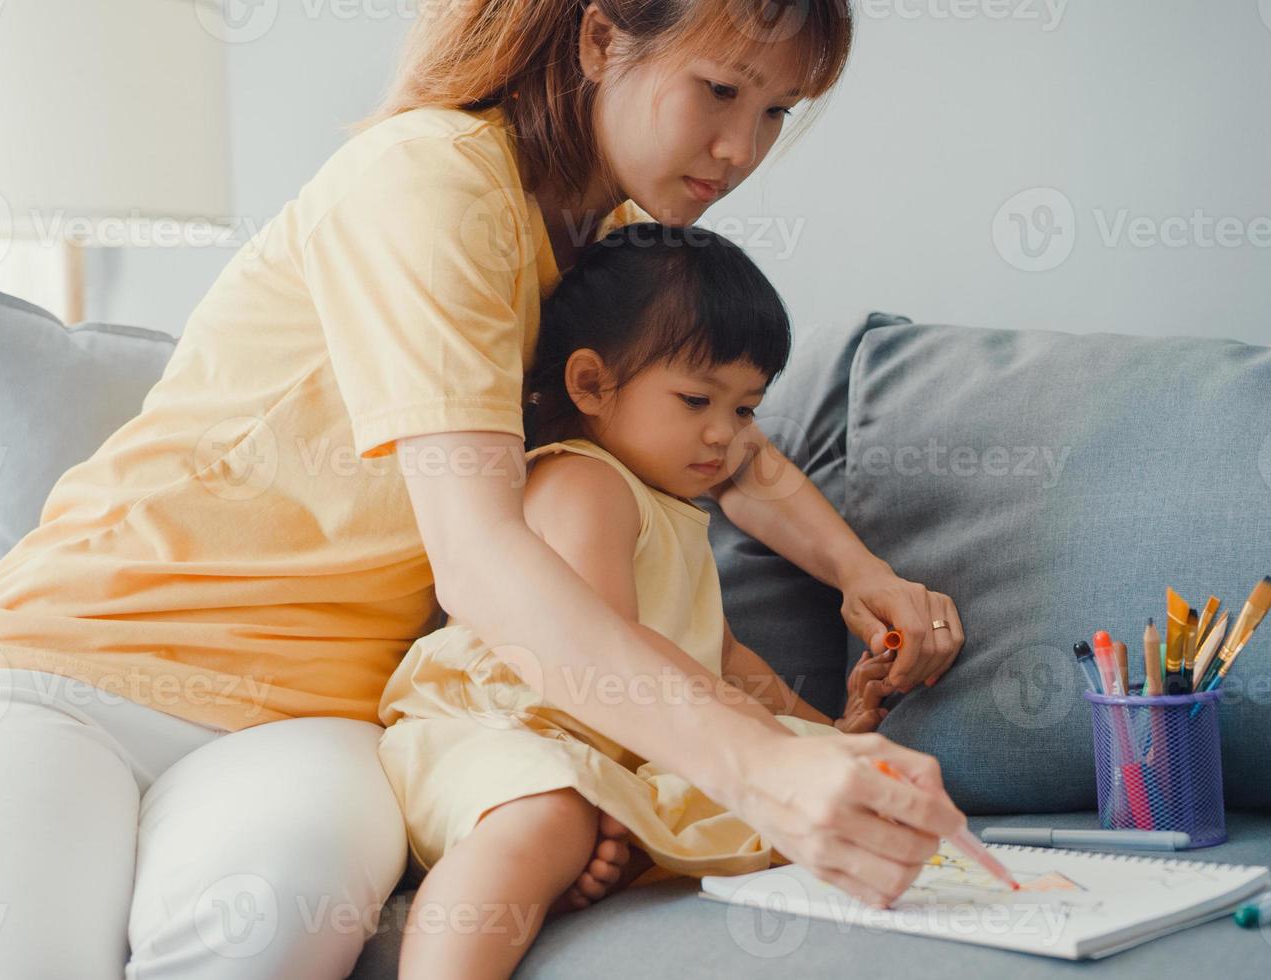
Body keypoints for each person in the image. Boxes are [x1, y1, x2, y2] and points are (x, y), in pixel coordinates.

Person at [0, 3, 968, 978]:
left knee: (257, 934)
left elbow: (743, 457)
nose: (739, 146)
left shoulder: (616, 250)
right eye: (719, 87)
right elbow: (483, 560)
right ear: (595, 38)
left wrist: (862, 577)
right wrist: (764, 765)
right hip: (62, 665)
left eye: (776, 110)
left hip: (311, 720)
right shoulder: (430, 177)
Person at [379, 220, 906, 978]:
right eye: (697, 400)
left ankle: (597, 859)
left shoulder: (672, 506)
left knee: (860, 785)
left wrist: (828, 733)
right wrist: (763, 738)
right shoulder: (582, 480)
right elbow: (604, 647)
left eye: (747, 409)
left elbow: (719, 657)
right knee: (544, 813)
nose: (725, 435)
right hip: (498, 729)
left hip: (617, 744)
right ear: (592, 384)